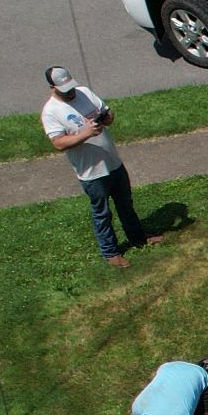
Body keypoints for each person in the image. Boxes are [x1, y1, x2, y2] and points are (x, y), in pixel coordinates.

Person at [42, 66, 145, 268]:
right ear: (52, 87)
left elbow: (109, 115)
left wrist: (107, 118)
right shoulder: (51, 112)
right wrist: (87, 133)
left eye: (71, 86)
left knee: (126, 203)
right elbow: (58, 143)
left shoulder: (85, 93)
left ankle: (138, 238)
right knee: (102, 213)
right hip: (91, 173)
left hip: (112, 162)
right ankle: (111, 253)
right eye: (65, 90)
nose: (71, 92)